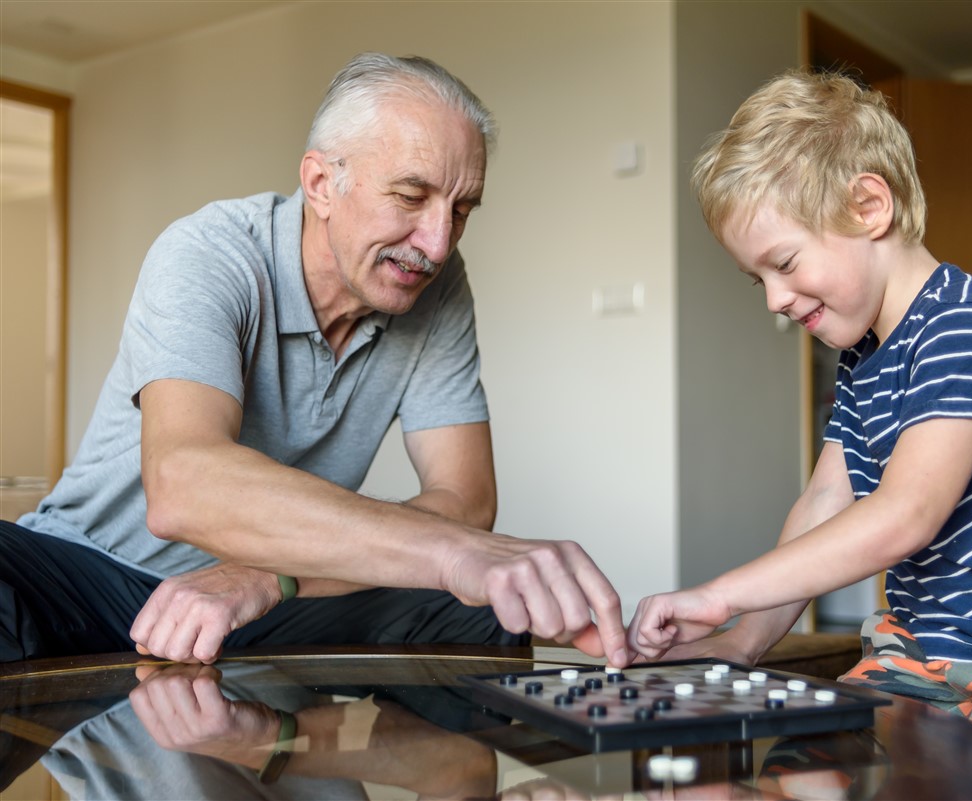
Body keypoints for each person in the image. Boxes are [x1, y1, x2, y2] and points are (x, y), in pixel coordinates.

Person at [626, 69, 972, 799]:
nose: (773, 298)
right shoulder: (864, 360)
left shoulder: (967, 325)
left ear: (869, 206)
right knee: (799, 765)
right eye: (755, 278)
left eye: (786, 263)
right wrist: (742, 636)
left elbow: (904, 515)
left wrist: (716, 591)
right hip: (928, 658)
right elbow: (827, 500)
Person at [0, 52, 627, 669]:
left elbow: (465, 503)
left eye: (460, 210)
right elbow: (184, 485)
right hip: (88, 570)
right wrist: (451, 555)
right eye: (411, 196)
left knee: (477, 614)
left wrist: (267, 576)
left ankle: (388, 759)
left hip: (255, 602)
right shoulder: (210, 253)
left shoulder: (437, 284)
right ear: (321, 184)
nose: (437, 244)